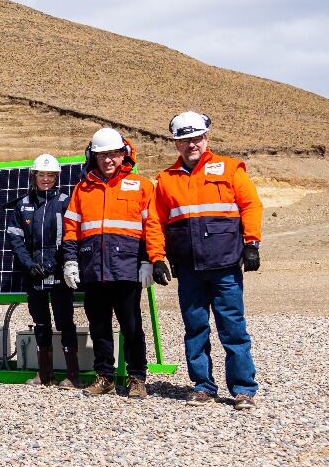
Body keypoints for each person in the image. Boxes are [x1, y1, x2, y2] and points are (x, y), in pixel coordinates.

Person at [147, 111, 264, 410]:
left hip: (224, 266)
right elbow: (155, 222)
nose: (191, 145)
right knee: (195, 328)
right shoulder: (165, 181)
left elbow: (250, 204)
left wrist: (252, 242)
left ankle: (243, 389)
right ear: (176, 144)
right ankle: (203, 387)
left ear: (206, 138)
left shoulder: (230, 169)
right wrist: (158, 258)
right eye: (184, 140)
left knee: (233, 328)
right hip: (188, 270)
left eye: (196, 138)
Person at [60, 129, 158, 401]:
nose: (108, 160)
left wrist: (148, 260)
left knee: (132, 327)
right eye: (102, 155)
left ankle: (137, 378)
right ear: (94, 156)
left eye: (113, 154)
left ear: (123, 154)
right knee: (99, 326)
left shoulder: (141, 185)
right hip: (93, 269)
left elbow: (152, 226)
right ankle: (105, 377)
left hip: (127, 269)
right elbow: (71, 228)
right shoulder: (83, 189)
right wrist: (70, 260)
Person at [7, 154, 80, 389]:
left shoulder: (65, 202)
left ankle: (72, 375)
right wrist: (30, 265)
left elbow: (70, 237)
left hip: (59, 272)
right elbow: (16, 241)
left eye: (50, 175)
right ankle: (44, 374)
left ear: (57, 177)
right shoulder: (23, 204)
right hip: (33, 274)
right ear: (34, 176)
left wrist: (55, 264)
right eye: (41, 174)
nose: (46, 179)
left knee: (65, 322)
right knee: (40, 323)